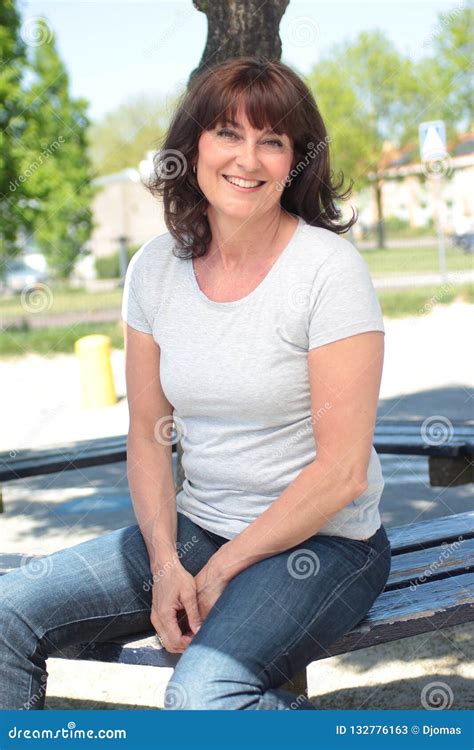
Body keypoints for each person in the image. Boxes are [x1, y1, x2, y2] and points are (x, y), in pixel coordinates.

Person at [0, 56, 391, 711]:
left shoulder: (328, 270)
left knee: (204, 700)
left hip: (325, 543)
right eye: (228, 133)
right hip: (198, 527)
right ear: (194, 146)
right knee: (10, 610)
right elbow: (149, 436)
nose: (249, 157)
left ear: (296, 161)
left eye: (273, 140)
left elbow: (342, 473)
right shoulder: (154, 270)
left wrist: (219, 571)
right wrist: (165, 568)